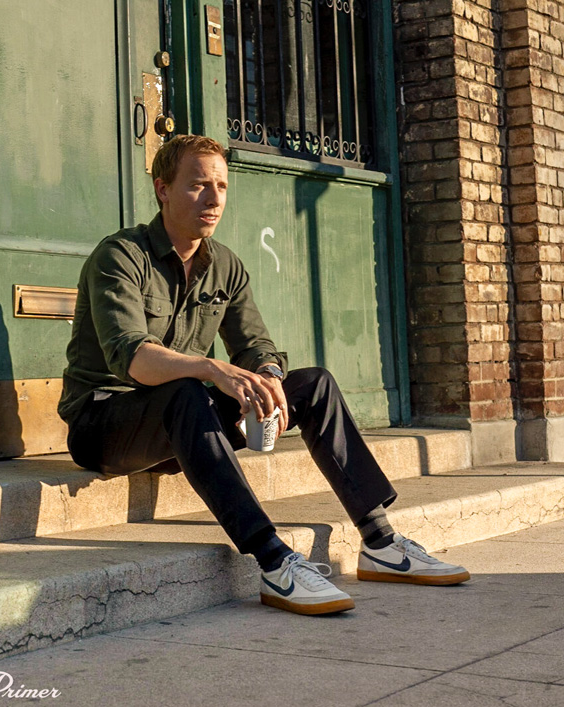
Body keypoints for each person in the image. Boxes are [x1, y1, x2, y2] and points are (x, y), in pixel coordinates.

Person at [58, 134, 470, 616]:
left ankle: (380, 540)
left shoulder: (225, 264)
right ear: (162, 189)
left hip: (183, 427)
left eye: (221, 186)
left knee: (312, 384)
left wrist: (268, 375)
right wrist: (214, 370)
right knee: (187, 390)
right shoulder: (121, 257)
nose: (213, 200)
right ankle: (274, 563)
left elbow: (255, 345)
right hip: (104, 423)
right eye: (197, 186)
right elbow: (132, 358)